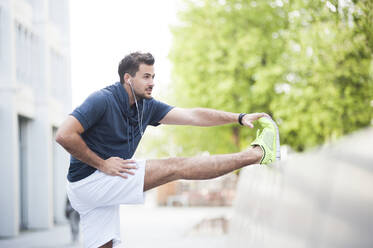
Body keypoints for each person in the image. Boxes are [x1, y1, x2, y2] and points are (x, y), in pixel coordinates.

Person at [56, 52, 280, 248]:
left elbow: (194, 116)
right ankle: (258, 154)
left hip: (97, 188)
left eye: (153, 76)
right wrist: (103, 164)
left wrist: (239, 118)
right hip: (90, 180)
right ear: (128, 78)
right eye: (146, 76)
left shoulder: (147, 106)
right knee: (175, 166)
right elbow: (64, 135)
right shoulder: (102, 100)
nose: (152, 82)